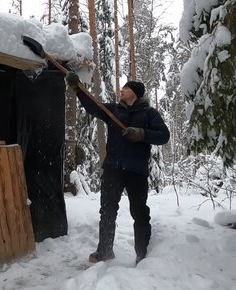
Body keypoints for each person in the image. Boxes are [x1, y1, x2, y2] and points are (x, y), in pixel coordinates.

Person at [65, 72, 170, 265]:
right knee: (107, 211)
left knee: (139, 212)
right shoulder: (114, 110)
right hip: (113, 169)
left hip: (136, 171)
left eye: (126, 88)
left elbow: (163, 135)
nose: (121, 90)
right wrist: (78, 88)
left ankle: (142, 254)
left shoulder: (149, 113)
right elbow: (93, 106)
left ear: (136, 93)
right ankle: (104, 251)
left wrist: (141, 133)